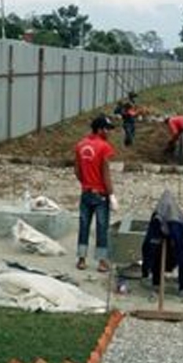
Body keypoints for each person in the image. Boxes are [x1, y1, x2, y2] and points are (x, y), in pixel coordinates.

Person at [74, 114, 116, 273]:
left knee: (84, 224)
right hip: (101, 195)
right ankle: (102, 262)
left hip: (86, 193)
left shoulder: (80, 145)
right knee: (101, 226)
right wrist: (111, 194)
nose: (109, 132)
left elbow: (77, 171)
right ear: (99, 130)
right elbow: (106, 173)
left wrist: (86, 184)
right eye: (107, 129)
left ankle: (81, 260)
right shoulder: (104, 147)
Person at [141, 189, 183, 298]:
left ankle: (180, 286)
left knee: (177, 254)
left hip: (175, 228)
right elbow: (148, 245)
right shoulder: (158, 218)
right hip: (163, 230)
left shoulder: (176, 218)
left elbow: (147, 245)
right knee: (156, 253)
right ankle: (157, 282)